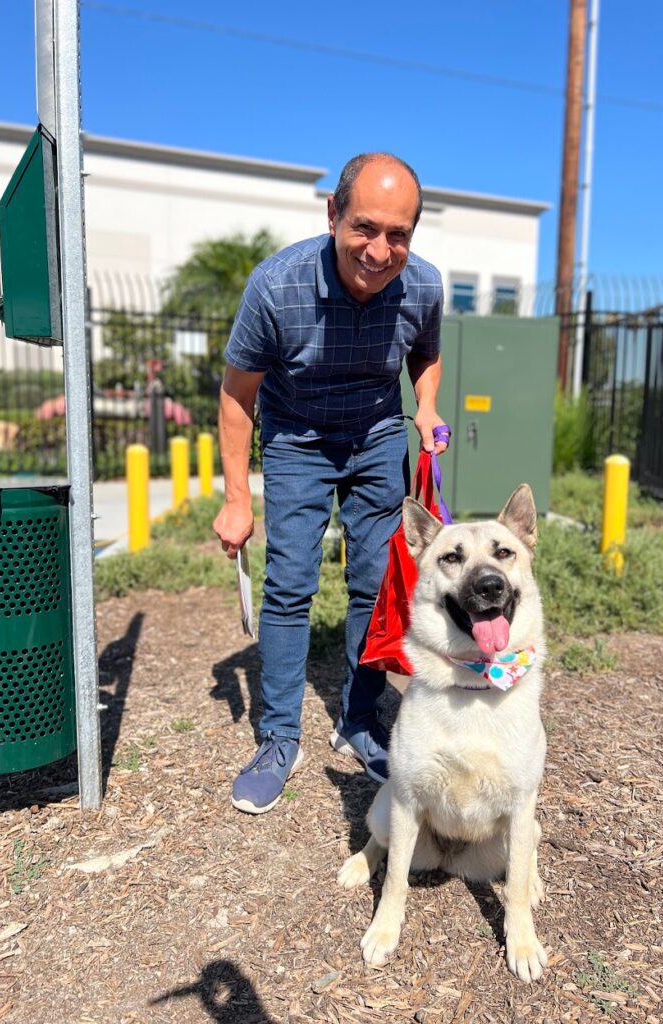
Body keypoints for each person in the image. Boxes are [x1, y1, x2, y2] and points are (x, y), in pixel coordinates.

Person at [213, 152, 447, 815]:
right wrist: (237, 500)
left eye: (397, 235)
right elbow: (236, 396)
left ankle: (359, 719)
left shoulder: (423, 286)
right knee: (290, 581)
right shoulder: (276, 287)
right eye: (365, 228)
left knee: (376, 582)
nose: (379, 251)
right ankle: (278, 736)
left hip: (376, 437)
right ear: (333, 215)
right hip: (297, 439)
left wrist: (424, 406)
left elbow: (426, 351)